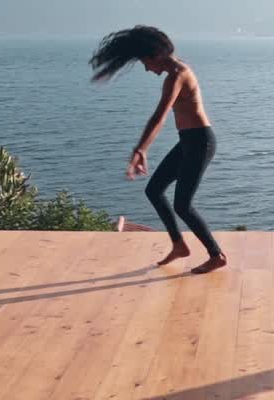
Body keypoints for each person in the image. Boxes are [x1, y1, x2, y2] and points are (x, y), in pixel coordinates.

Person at [90, 26, 227, 274]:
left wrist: (141, 149)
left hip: (200, 142)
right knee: (153, 190)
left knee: (182, 205)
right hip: (188, 141)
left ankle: (216, 255)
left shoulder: (177, 75)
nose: (146, 69)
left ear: (157, 55)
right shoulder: (176, 70)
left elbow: (159, 117)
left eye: (145, 62)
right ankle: (179, 245)